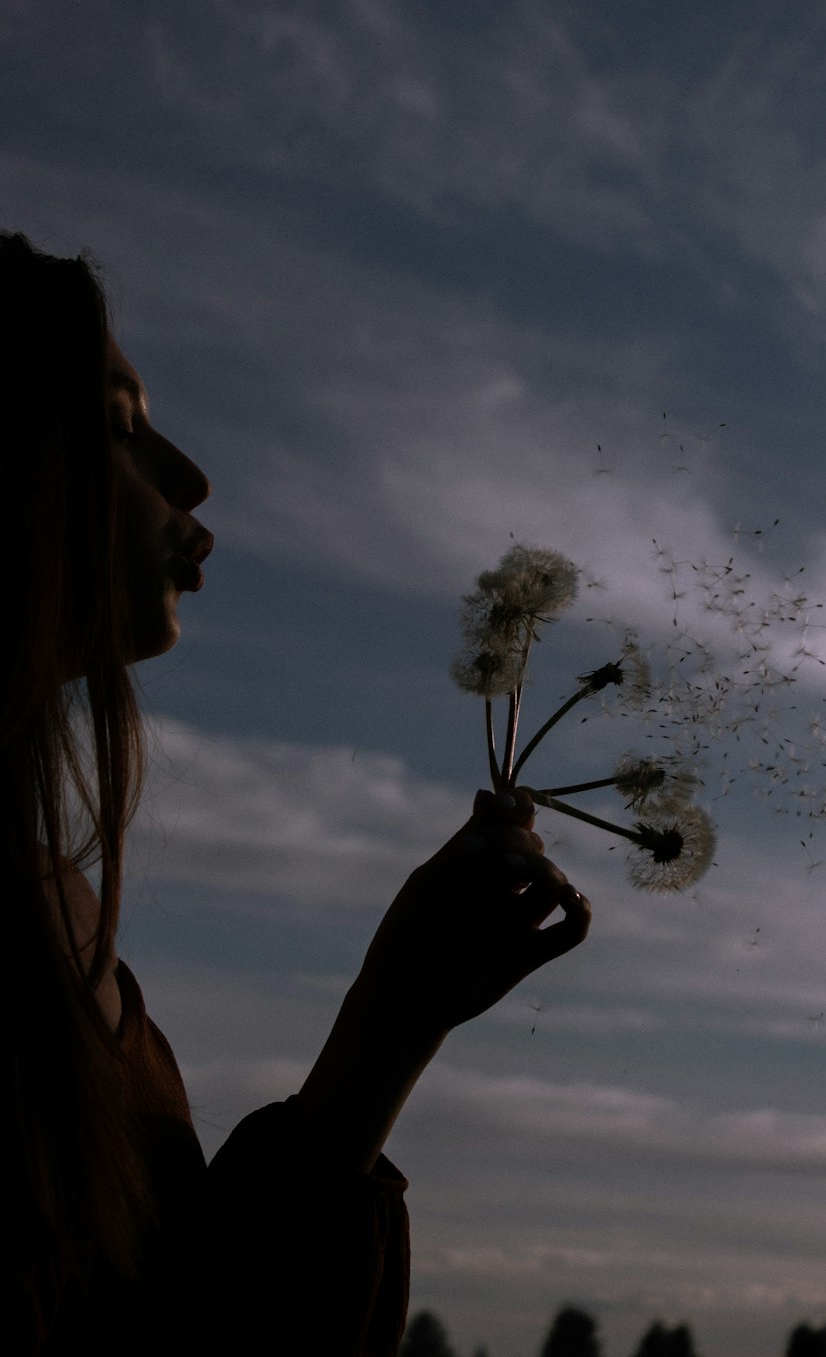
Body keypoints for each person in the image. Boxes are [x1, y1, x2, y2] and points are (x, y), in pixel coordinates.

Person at [0, 230, 591, 1355]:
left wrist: (392, 1025)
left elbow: (179, 1318)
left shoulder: (54, 910)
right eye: (120, 426)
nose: (191, 477)